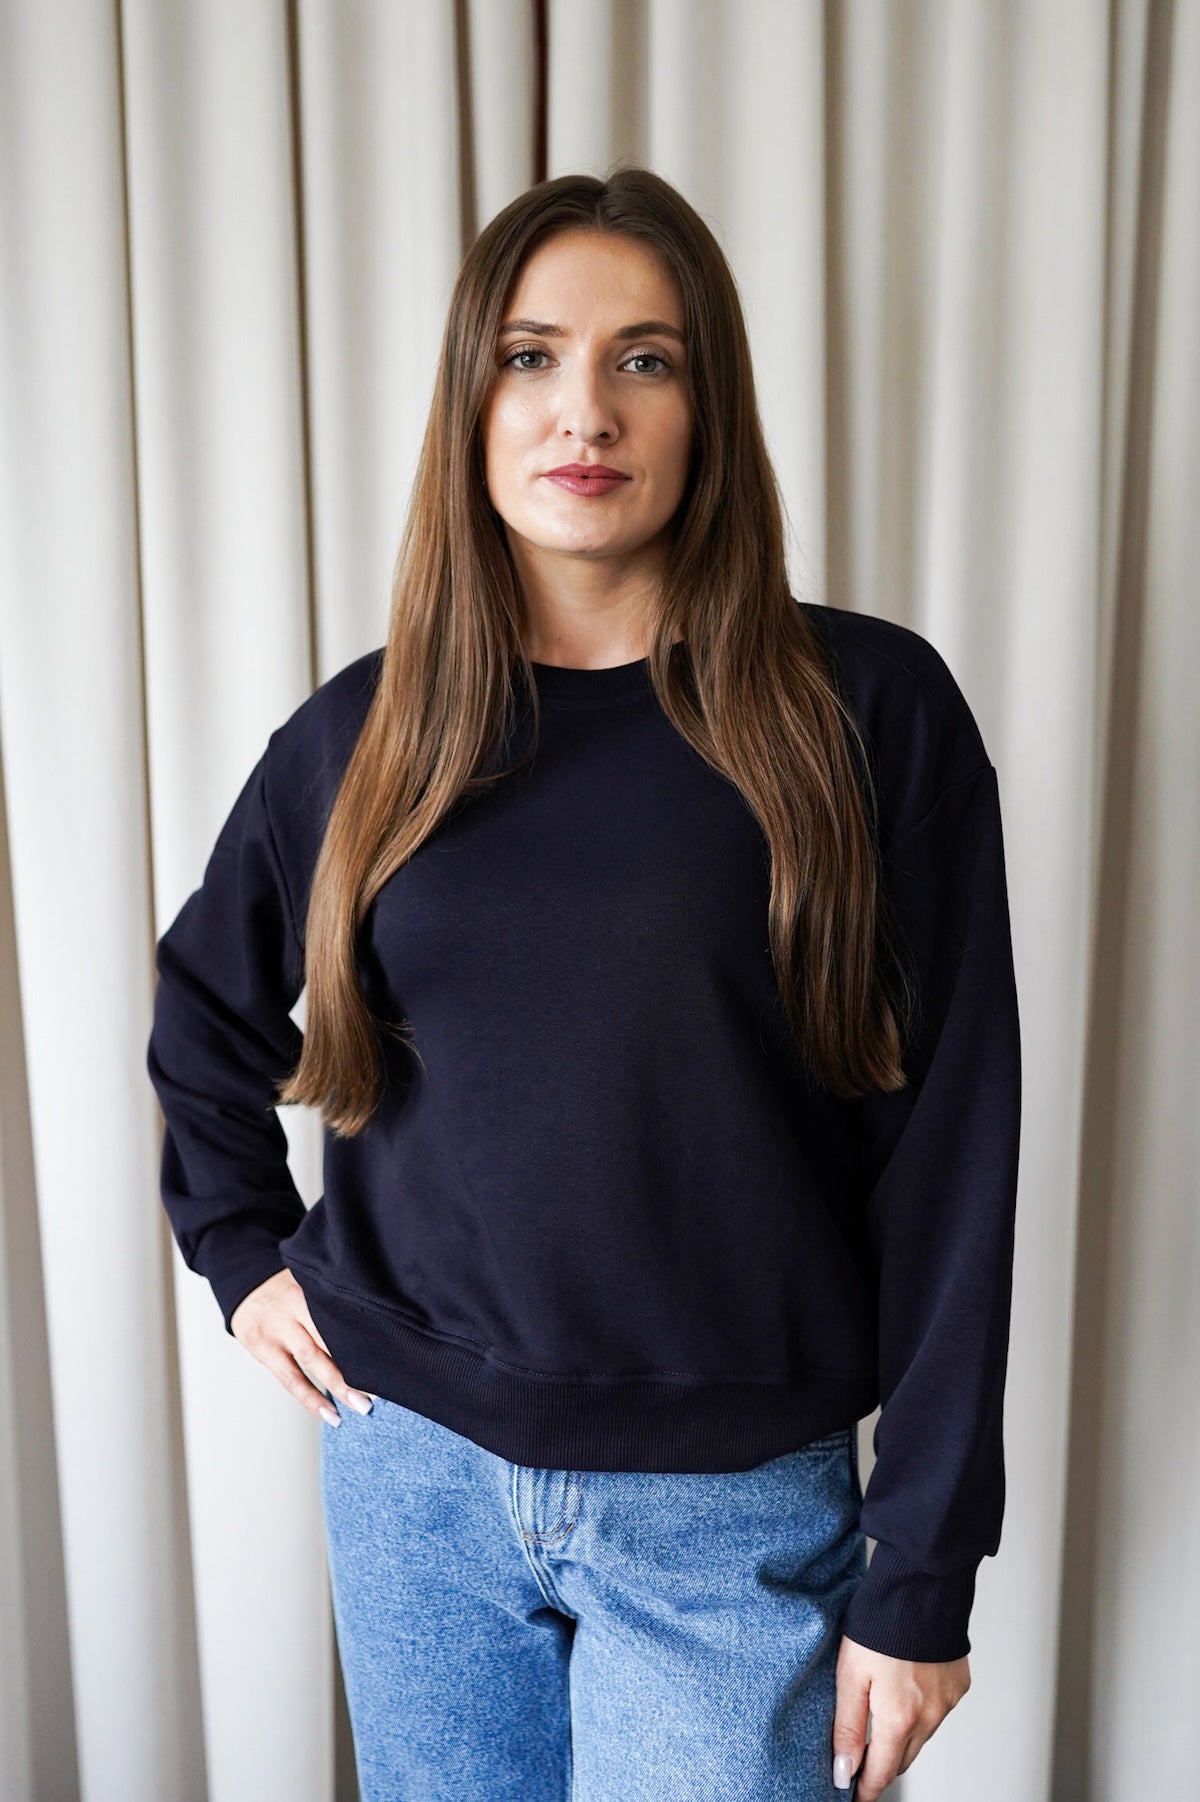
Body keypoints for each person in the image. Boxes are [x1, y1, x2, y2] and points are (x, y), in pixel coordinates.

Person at [146, 166, 1021, 1802]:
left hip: (731, 1509)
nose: (585, 411)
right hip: (412, 1477)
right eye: (532, 356)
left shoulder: (865, 715)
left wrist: (923, 1569)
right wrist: (240, 1248)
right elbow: (203, 1012)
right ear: (472, 403)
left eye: (646, 360)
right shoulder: (365, 737)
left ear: (708, 408)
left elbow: (956, 1157)